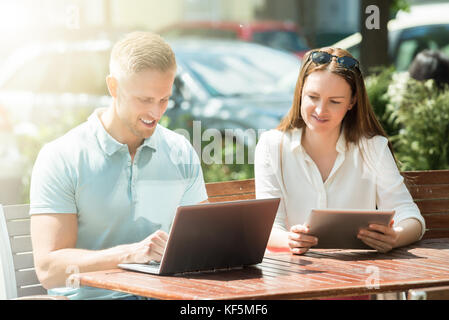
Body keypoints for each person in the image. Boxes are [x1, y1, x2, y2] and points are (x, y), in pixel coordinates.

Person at [29, 31, 208, 299]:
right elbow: (49, 269)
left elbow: (202, 241)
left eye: (164, 100)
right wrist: (130, 254)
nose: (156, 113)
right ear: (113, 87)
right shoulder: (61, 157)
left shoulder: (180, 151)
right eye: (144, 100)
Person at [255, 48, 425, 256]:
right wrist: (291, 240)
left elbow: (410, 218)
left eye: (335, 101)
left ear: (352, 102)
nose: (320, 110)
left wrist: (395, 236)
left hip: (360, 277)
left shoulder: (373, 148)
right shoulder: (272, 146)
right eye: (312, 97)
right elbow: (269, 228)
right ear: (300, 92)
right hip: (295, 276)